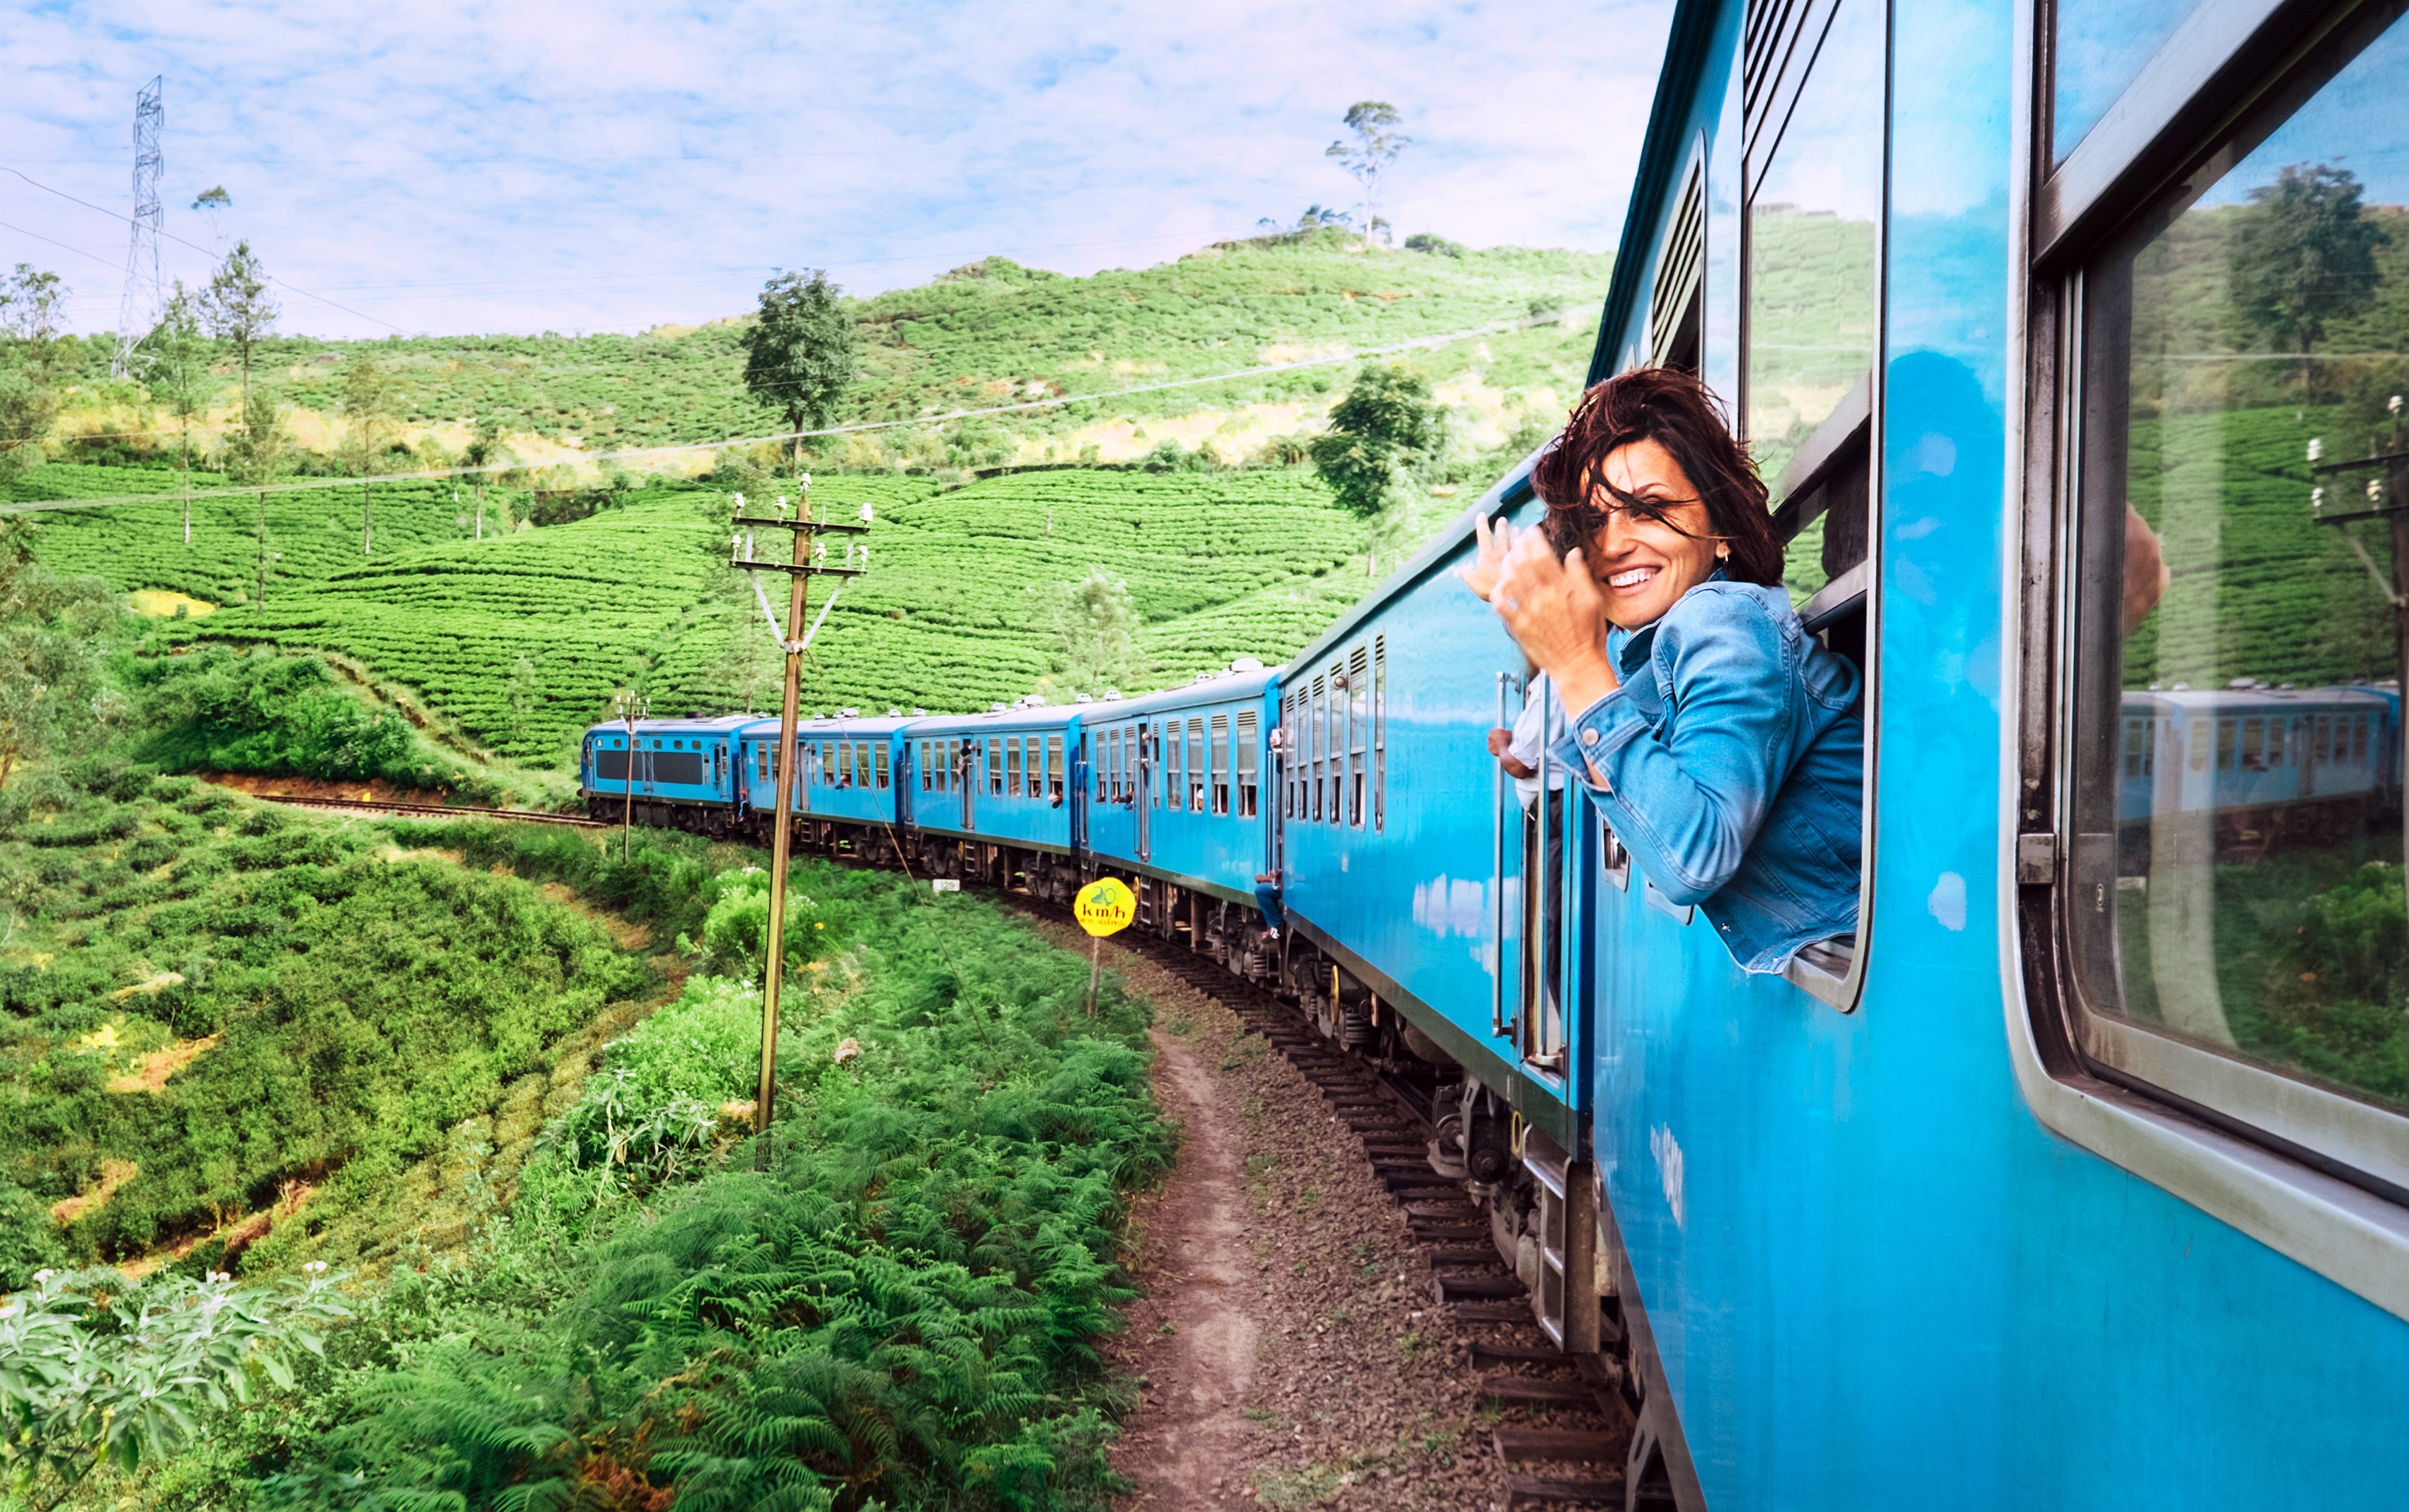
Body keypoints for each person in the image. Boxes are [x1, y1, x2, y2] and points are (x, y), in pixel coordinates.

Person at [1462, 368, 1863, 974]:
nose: (1614, 544)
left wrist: (1573, 663)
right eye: (1595, 522)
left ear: (1721, 531)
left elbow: (1693, 858)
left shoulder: (1723, 619)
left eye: (1648, 509)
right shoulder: (1663, 645)